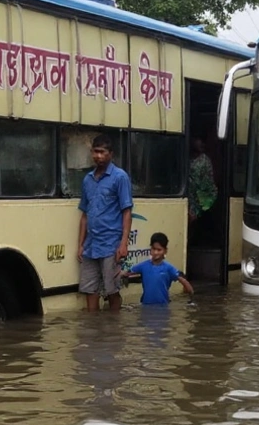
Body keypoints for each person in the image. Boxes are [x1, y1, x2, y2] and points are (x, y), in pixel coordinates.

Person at [77, 133, 133, 312]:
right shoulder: (87, 180)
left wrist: (123, 243)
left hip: (111, 244)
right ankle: (93, 329)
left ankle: (114, 329)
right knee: (89, 289)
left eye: (102, 152)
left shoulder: (120, 177)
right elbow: (85, 215)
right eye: (95, 152)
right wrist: (80, 245)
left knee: (112, 290)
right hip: (91, 245)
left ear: (111, 154)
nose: (98, 156)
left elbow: (127, 212)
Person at [123, 232, 194, 305]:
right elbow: (127, 272)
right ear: (150, 248)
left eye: (159, 250)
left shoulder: (169, 268)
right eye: (153, 249)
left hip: (163, 307)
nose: (155, 252)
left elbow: (183, 281)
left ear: (165, 251)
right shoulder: (143, 266)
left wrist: (191, 299)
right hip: (146, 306)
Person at [188, 139, 217, 222]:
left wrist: (196, 211)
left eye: (203, 141)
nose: (202, 143)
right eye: (199, 140)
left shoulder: (205, 161)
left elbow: (207, 186)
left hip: (199, 202)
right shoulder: (186, 156)